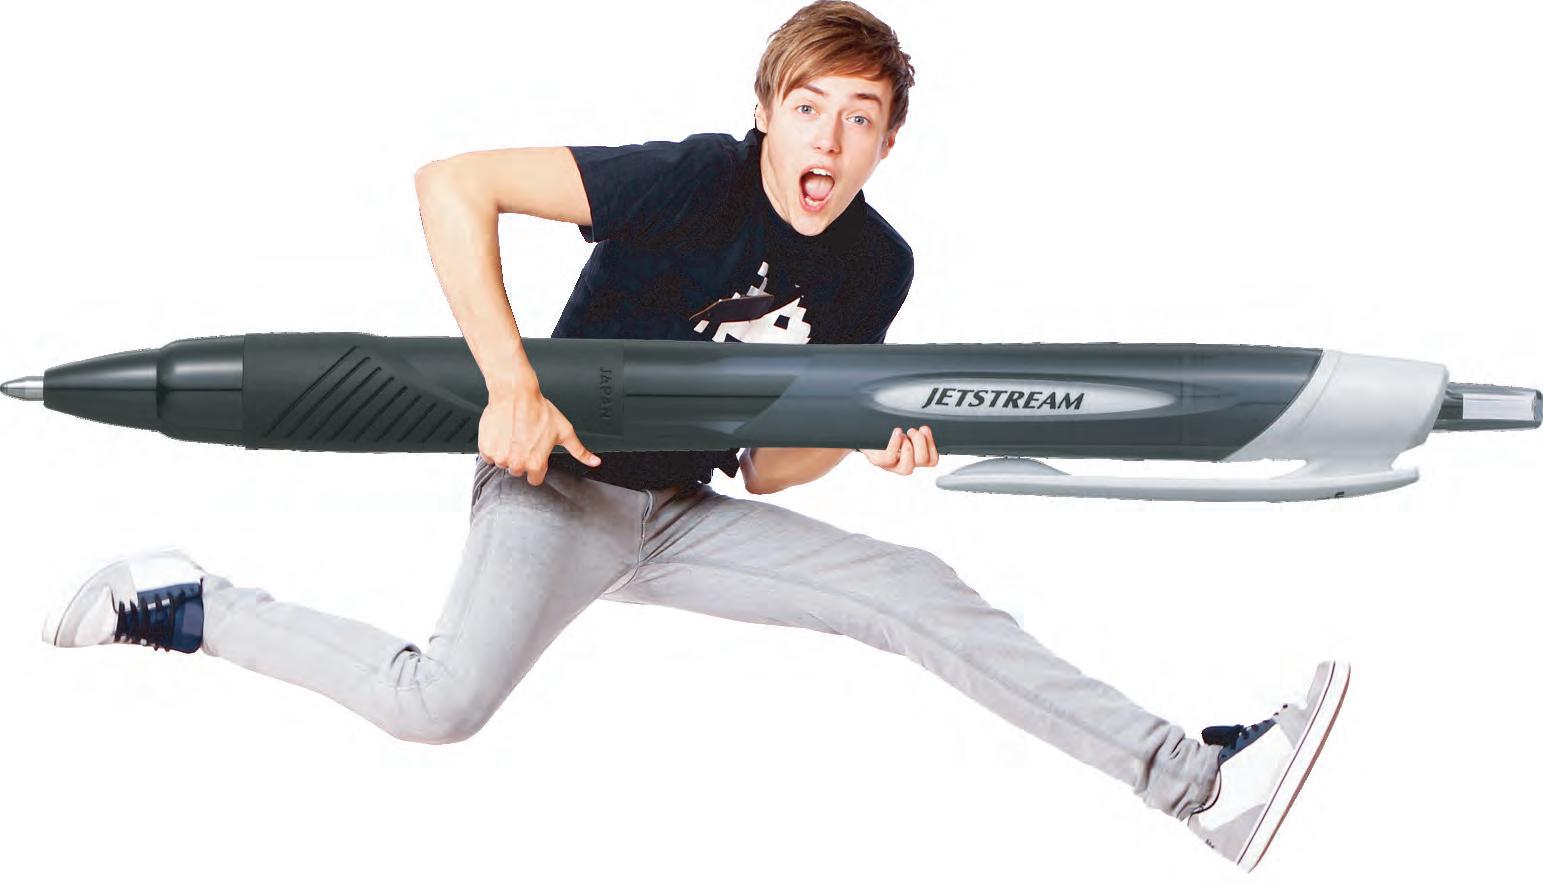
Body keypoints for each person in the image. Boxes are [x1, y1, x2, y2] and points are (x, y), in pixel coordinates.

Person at [40, 1, 1346, 872]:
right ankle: (188, 604)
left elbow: (772, 465)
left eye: (861, 118)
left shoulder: (877, 267)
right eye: (811, 106)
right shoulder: (692, 181)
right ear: (769, 109)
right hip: (553, 488)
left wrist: (862, 436)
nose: (830, 137)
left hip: (684, 515)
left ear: (888, 143)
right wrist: (510, 383)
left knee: (919, 593)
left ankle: (1199, 787)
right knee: (438, 706)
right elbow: (453, 185)